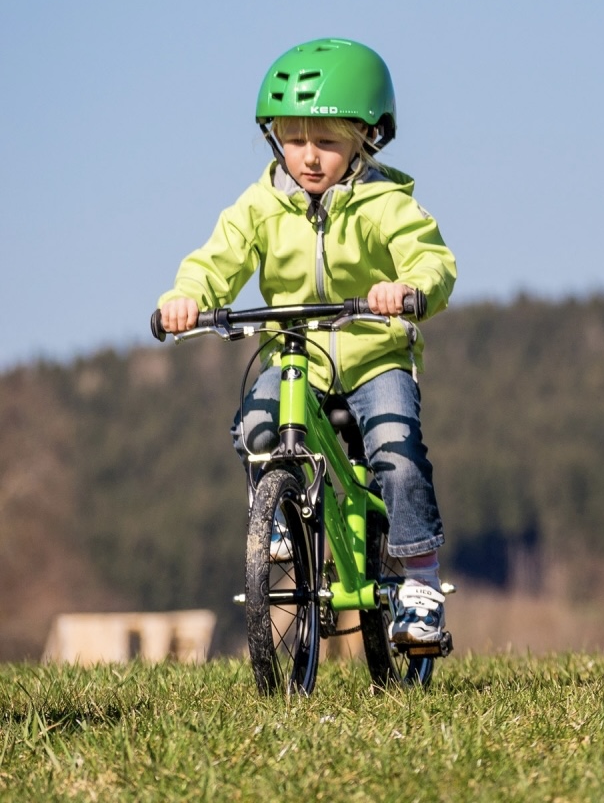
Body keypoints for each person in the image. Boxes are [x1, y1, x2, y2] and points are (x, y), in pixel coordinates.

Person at [157, 37, 456, 646]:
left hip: (376, 357)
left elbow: (432, 260)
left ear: (365, 140)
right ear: (275, 141)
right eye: (294, 140)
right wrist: (186, 297)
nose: (310, 157)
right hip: (298, 358)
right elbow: (217, 259)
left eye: (327, 142)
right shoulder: (260, 206)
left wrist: (408, 287)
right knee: (257, 428)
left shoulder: (384, 202)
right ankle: (281, 520)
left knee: (397, 457)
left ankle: (420, 585)